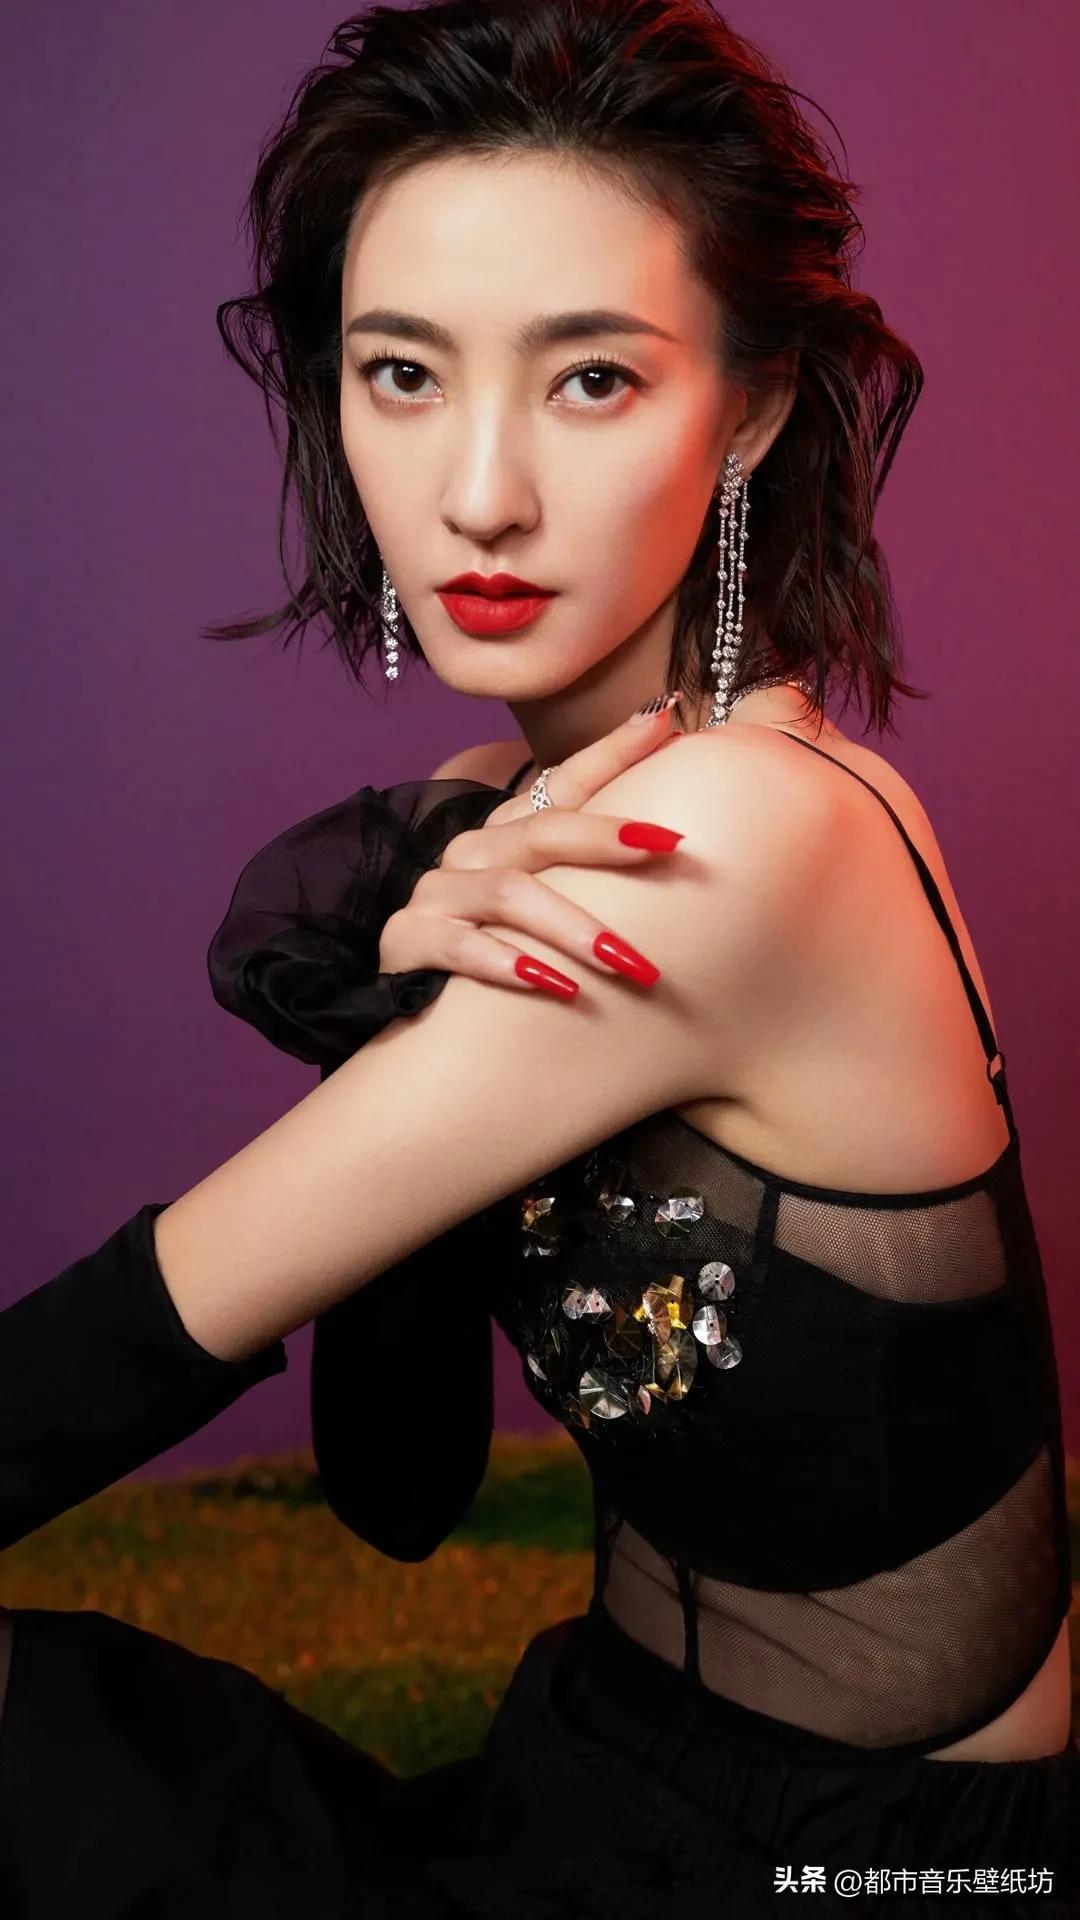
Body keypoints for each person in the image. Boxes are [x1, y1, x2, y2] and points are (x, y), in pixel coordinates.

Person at [1, 1, 1075, 1914]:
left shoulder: (736, 839)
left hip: (843, 1869)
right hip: (593, 1751)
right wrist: (400, 1020)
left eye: (590, 379)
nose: (479, 491)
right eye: (401, 374)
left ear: (752, 407)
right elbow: (400, 1488)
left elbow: (118, 1348)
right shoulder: (508, 809)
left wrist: (418, 1028)